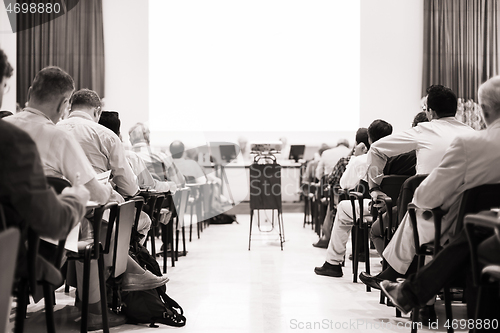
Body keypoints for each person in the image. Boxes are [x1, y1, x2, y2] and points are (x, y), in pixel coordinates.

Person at [379, 75, 500, 327]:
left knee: (468, 231)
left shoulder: (471, 144)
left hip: (472, 230)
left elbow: (425, 195)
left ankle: (409, 288)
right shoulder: (468, 134)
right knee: (474, 234)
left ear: (485, 110)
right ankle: (410, 290)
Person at [0, 47, 89, 265]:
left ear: (31, 92)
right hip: (8, 260)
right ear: (63, 104)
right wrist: (75, 197)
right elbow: (53, 222)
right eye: (4, 86)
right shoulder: (12, 140)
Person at [314, 120, 394, 277]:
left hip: (373, 207)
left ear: (369, 140)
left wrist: (356, 157)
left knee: (343, 207)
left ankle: (333, 263)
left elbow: (344, 184)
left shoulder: (362, 159)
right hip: (395, 208)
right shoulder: (397, 156)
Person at [312, 129, 369, 248]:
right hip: (375, 204)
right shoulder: (381, 160)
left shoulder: (345, 160)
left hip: (348, 201)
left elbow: (330, 180)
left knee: (335, 203)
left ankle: (328, 241)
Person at [98, 111, 177, 194]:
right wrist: (170, 185)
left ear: (131, 139)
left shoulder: (94, 156)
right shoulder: (133, 157)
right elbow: (149, 185)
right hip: (143, 201)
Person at [129, 122, 186, 187]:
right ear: (148, 137)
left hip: (136, 195)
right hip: (162, 195)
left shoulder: (126, 158)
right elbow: (180, 183)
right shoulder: (162, 157)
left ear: (131, 139)